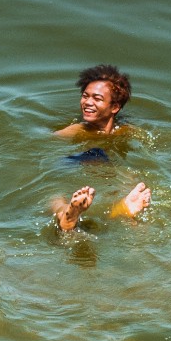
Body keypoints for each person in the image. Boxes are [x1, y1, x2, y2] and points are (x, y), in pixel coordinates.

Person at [49, 64, 150, 231]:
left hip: (95, 163)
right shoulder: (75, 130)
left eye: (97, 98)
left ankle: (70, 214)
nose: (87, 102)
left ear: (115, 107)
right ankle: (67, 214)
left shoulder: (127, 130)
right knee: (54, 195)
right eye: (85, 96)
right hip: (72, 162)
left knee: (54, 195)